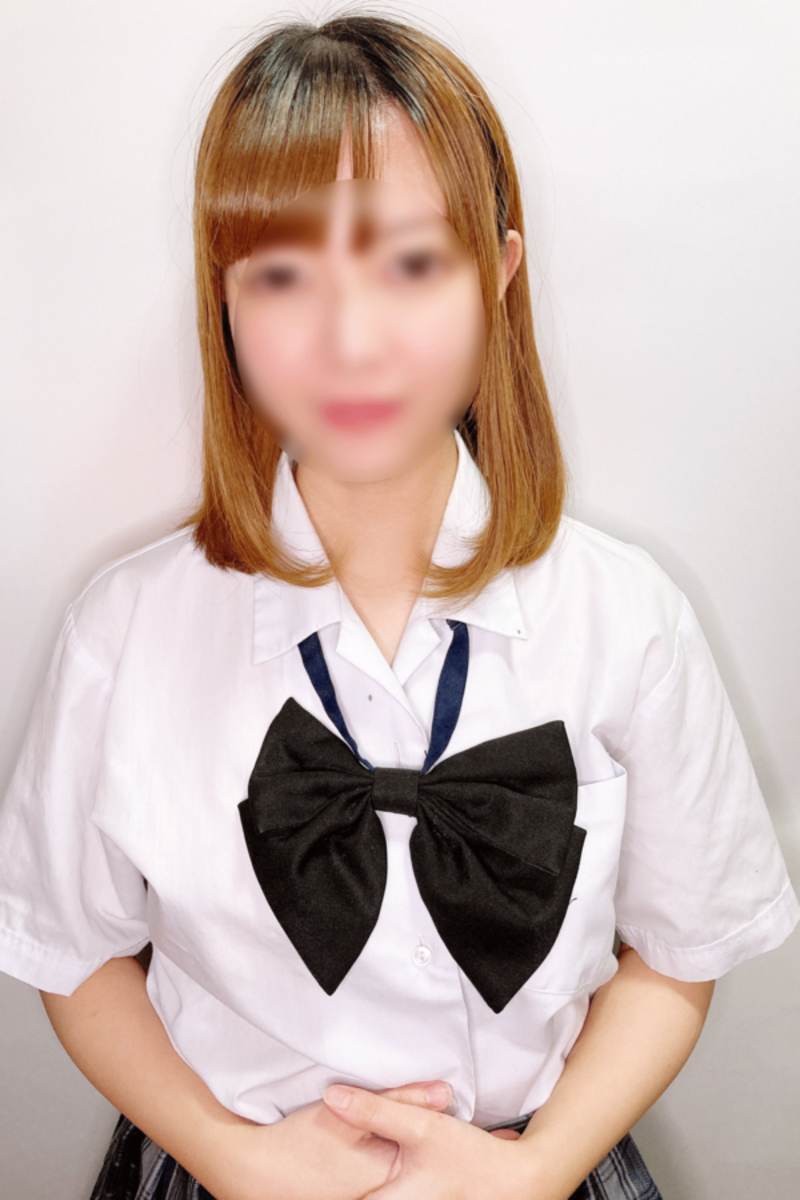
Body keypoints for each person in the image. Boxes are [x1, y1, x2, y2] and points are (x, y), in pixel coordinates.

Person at [0, 11, 797, 1200]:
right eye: (282, 274)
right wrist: (232, 1158)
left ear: (499, 273)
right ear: (223, 296)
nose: (350, 339)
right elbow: (74, 955)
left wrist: (534, 1173)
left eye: (411, 264)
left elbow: (679, 954)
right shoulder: (125, 632)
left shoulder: (625, 620)